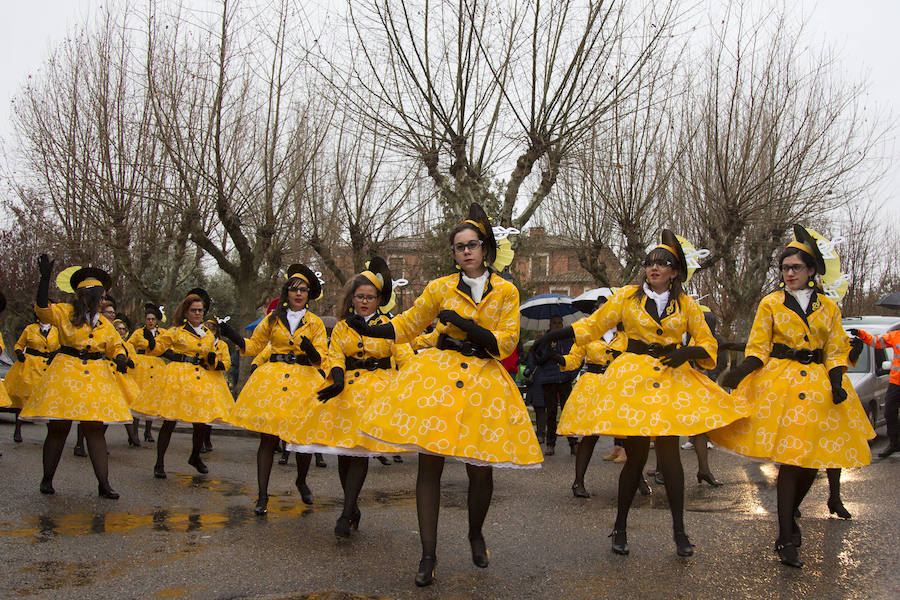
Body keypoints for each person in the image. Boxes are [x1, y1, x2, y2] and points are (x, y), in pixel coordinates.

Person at [348, 204, 541, 586]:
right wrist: (370, 331)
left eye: (472, 245)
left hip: (482, 383)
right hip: (437, 378)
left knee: (481, 470)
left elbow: (505, 344)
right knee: (429, 465)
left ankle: (475, 532)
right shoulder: (439, 287)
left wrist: (466, 325)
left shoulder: (506, 291)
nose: (466, 251)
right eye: (458, 247)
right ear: (453, 253)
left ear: (485, 248)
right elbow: (408, 323)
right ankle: (428, 553)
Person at [535, 230, 745, 558]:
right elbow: (592, 325)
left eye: (663, 263)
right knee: (635, 458)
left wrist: (686, 354)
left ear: (675, 271)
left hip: (672, 383)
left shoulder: (687, 305)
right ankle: (619, 526)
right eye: (650, 262)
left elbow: (707, 343)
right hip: (633, 384)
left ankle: (679, 531)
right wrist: (553, 337)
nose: (655, 267)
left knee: (671, 458)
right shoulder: (626, 298)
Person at [710, 225, 875, 568]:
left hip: (818, 389)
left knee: (812, 463)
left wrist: (838, 382)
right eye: (785, 268)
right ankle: (786, 536)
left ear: (812, 270)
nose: (789, 273)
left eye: (795, 267)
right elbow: (758, 347)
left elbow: (833, 350)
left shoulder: (828, 307)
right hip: (779, 385)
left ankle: (790, 521)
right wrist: (739, 373)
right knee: (790, 460)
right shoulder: (771, 303)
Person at [279, 257, 411, 536]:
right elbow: (335, 354)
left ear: (378, 300)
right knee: (342, 454)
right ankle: (352, 507)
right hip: (346, 392)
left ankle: (346, 511)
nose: (364, 302)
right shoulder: (342, 326)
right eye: (359, 297)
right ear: (352, 299)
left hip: (377, 391)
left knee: (360, 452)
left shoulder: (391, 325)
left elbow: (404, 356)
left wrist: (410, 384)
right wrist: (337, 375)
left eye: (370, 297)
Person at [21, 256, 134, 498]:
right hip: (65, 374)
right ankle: (47, 479)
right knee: (59, 427)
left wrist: (121, 357)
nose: (104, 302)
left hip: (95, 377)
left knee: (94, 428)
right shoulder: (64, 312)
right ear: (89, 296)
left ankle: (104, 484)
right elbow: (43, 311)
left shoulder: (105, 323)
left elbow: (116, 346)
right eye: (101, 297)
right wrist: (43, 280)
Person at [218, 265, 327, 515]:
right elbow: (254, 346)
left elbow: (322, 357)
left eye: (303, 290)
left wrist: (311, 350)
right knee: (267, 439)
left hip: (304, 383)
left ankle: (301, 480)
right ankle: (262, 495)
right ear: (286, 292)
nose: (298, 293)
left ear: (309, 294)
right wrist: (232, 335)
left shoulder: (316, 323)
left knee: (302, 439)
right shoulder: (272, 319)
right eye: (293, 289)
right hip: (273, 382)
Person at [140, 288, 233, 478]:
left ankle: (195, 456)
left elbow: (212, 358)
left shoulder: (208, 333)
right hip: (178, 377)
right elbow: (158, 347)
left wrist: (213, 359)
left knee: (201, 421)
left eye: (200, 310)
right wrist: (150, 342)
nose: (198, 313)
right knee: (170, 420)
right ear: (186, 312)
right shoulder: (175, 332)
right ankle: (159, 463)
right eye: (194, 310)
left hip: (202, 378)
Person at [555, 296, 630, 498]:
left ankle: (637, 479)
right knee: (590, 435)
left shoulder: (627, 334)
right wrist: (555, 356)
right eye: (601, 311)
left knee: (631, 435)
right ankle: (578, 482)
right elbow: (572, 360)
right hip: (593, 386)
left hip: (618, 385)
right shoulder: (587, 335)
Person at [4, 312, 60, 443]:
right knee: (24, 397)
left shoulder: (57, 331)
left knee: (47, 400)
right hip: (30, 366)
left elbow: (60, 346)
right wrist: (18, 352)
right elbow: (19, 344)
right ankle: (18, 429)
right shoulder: (30, 329)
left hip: (48, 367)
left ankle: (50, 434)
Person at [530, 315, 579, 456]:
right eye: (554, 323)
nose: (557, 325)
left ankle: (573, 442)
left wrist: (571, 374)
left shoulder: (568, 338)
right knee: (551, 413)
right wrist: (549, 352)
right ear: (550, 324)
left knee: (568, 412)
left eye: (559, 323)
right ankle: (550, 443)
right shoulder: (543, 340)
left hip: (564, 379)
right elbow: (536, 359)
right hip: (548, 380)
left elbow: (577, 357)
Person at [849, 326, 900, 458]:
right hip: (896, 382)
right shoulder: (895, 336)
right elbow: (875, 342)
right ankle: (894, 443)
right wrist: (861, 333)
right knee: (889, 412)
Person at [127, 304, 167, 443]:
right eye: (148, 319)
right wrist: (133, 358)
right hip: (141, 365)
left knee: (153, 397)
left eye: (153, 319)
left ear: (156, 320)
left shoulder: (162, 333)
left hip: (156, 366)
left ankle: (148, 432)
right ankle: (134, 433)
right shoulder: (138, 333)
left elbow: (167, 345)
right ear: (145, 320)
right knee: (138, 397)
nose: (150, 321)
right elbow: (129, 345)